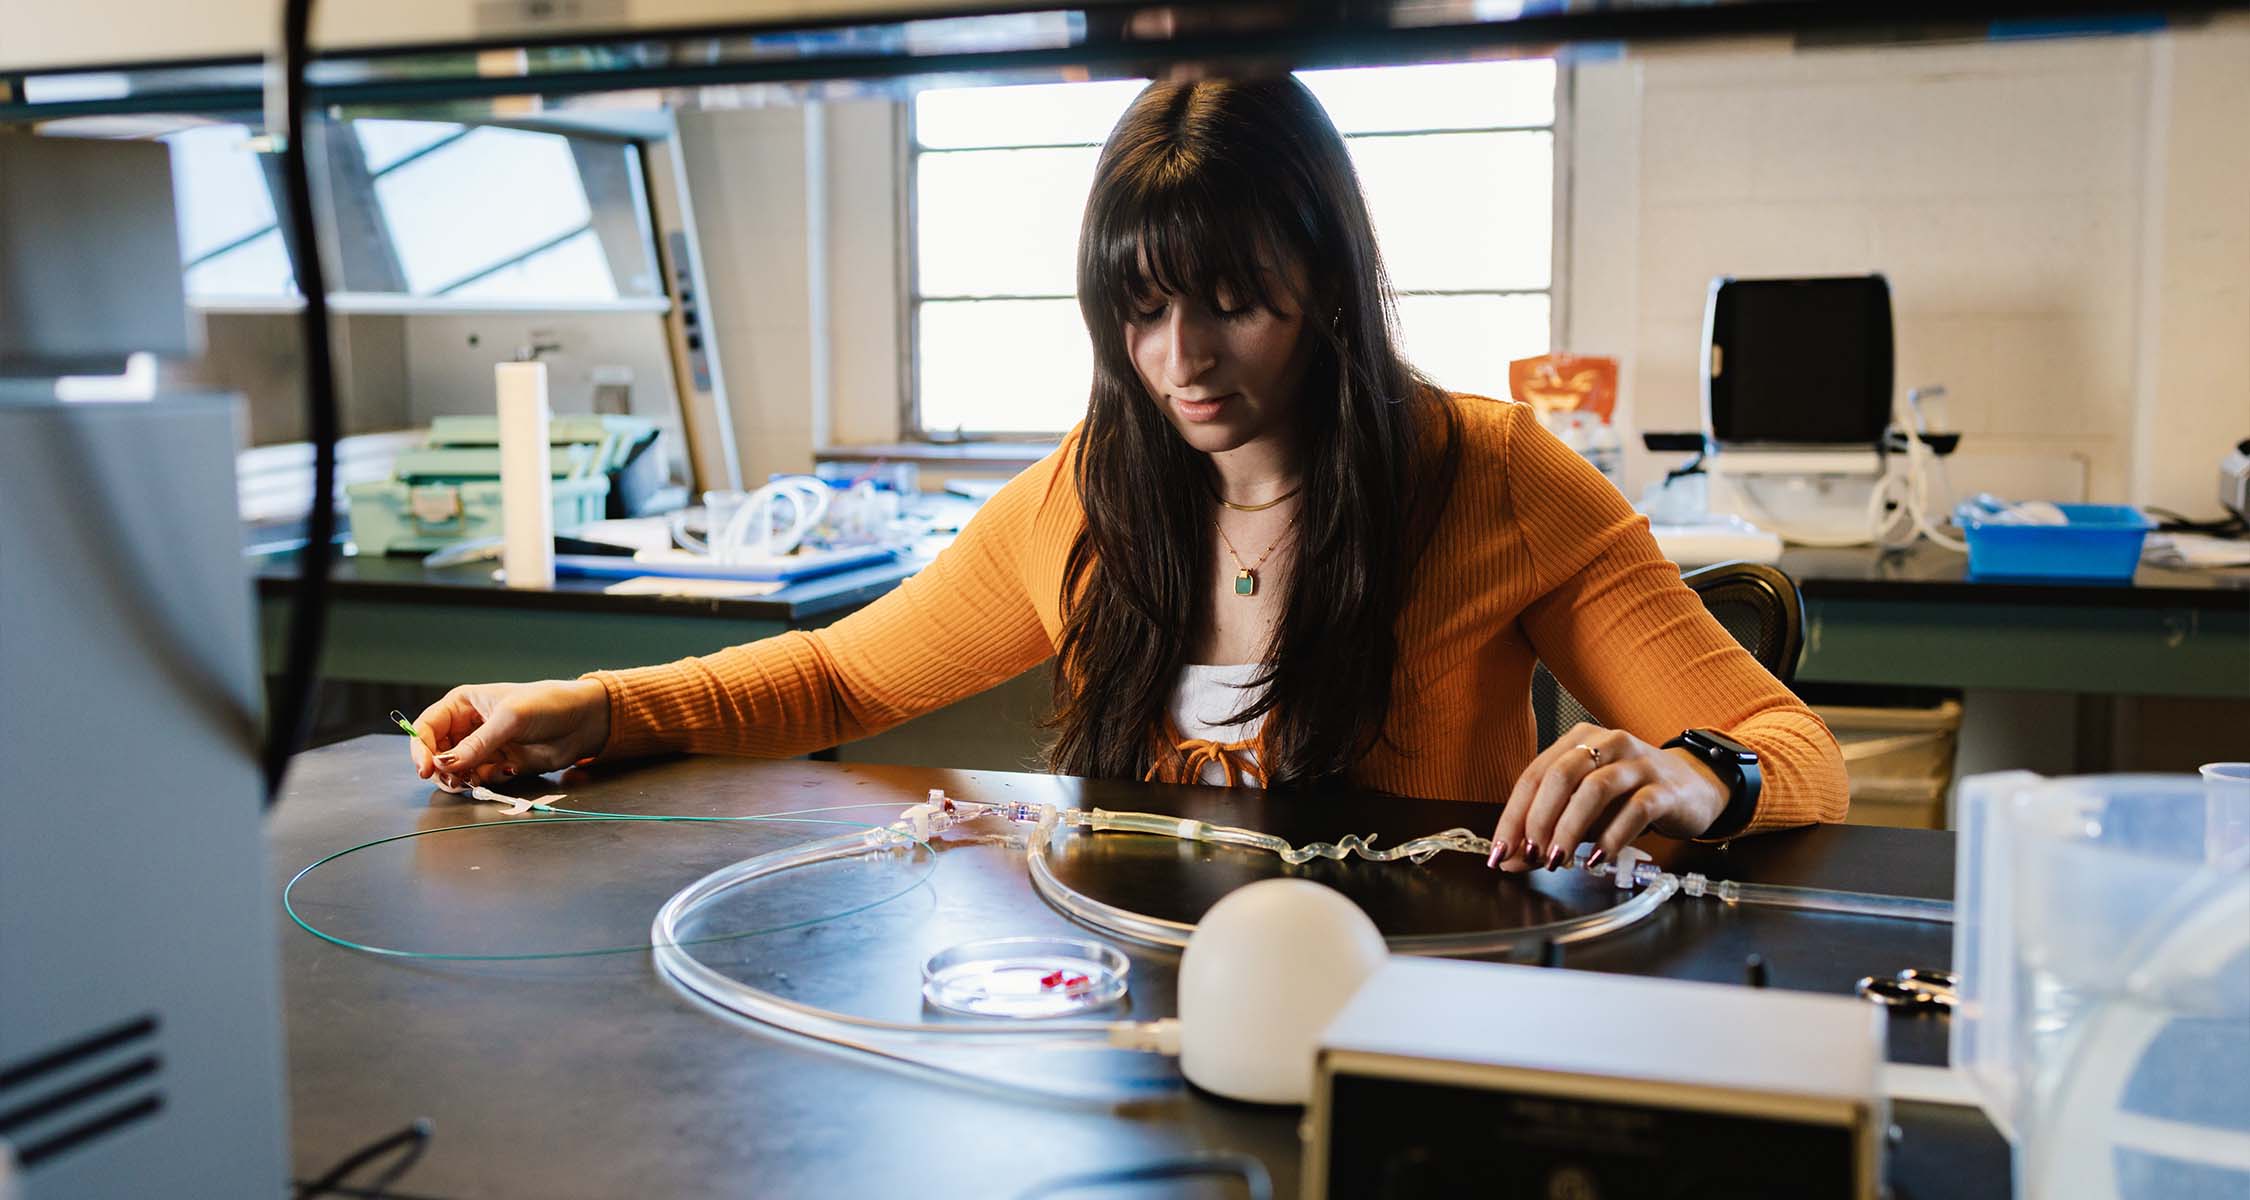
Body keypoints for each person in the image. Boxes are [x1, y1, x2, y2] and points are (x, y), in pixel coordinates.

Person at [409, 76, 1848, 870]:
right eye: (1140, 313)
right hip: (1129, 1000)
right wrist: (595, 707)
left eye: (1229, 301)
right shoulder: (1093, 492)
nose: (1181, 363)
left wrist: (1689, 774)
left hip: (1403, 999)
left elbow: (1794, 755)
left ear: (1329, 290)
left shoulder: (1488, 477)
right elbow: (842, 684)